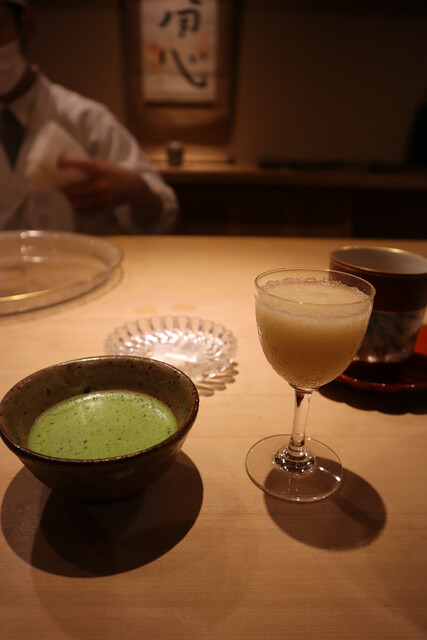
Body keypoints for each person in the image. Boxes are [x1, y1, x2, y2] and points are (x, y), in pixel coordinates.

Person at [0, 0, 178, 234]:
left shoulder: (87, 119)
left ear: (27, 25)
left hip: (76, 259)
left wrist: (136, 190)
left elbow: (162, 217)